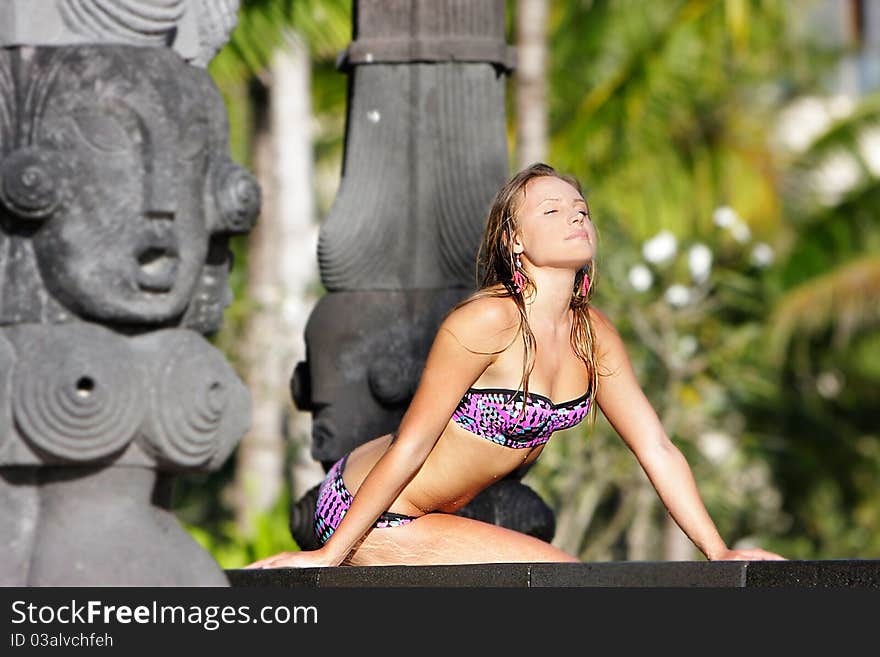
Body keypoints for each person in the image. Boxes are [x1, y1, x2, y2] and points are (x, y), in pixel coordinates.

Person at [245, 162, 786, 568]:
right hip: (364, 512)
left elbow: (656, 448)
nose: (575, 216)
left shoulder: (594, 336)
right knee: (568, 579)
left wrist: (718, 551)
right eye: (551, 210)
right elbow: (411, 443)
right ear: (515, 239)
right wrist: (328, 557)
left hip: (434, 516)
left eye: (581, 210)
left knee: (569, 580)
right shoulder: (483, 323)